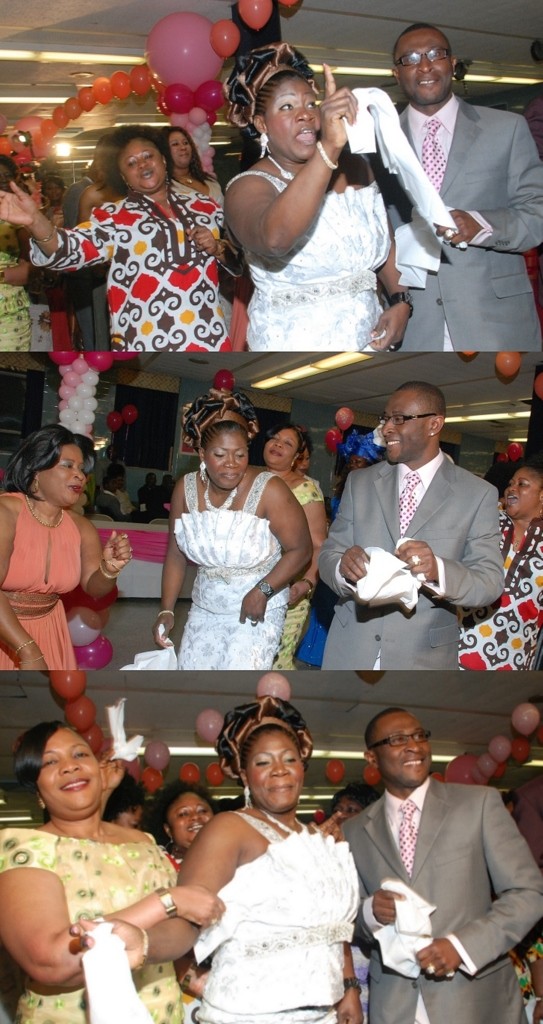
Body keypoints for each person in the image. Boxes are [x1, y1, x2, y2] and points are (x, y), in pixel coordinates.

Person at [82, 695, 363, 1024]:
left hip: (325, 1015)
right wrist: (144, 942)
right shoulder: (230, 828)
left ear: (303, 765)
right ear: (244, 774)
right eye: (262, 762)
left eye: (289, 759)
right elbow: (187, 919)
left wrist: (349, 987)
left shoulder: (317, 838)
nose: (279, 770)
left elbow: (334, 929)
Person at [0, 720, 224, 1024]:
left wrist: (143, 943)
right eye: (51, 761)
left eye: (80, 755)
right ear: (36, 788)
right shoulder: (23, 847)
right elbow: (51, 962)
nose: (69, 767)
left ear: (98, 766)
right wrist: (166, 901)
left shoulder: (143, 842)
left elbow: (183, 930)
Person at [343, 706, 543, 1024]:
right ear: (371, 758)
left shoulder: (479, 804)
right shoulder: (353, 830)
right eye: (397, 739)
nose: (414, 746)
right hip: (396, 1006)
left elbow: (529, 892)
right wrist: (369, 912)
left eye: (419, 736)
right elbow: (345, 918)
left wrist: (462, 946)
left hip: (476, 1000)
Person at [223, 42, 412, 352]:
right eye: (287, 107)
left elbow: (382, 240)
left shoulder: (356, 167)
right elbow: (276, 238)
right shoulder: (247, 187)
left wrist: (401, 301)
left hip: (369, 336)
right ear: (261, 124)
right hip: (294, 345)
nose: (305, 115)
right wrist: (329, 150)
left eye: (311, 104)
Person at [0, 125, 241, 351]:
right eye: (131, 163)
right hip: (142, 337)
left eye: (148, 156)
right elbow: (67, 250)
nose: (142, 165)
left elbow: (239, 262)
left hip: (209, 332)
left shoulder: (204, 206)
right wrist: (35, 221)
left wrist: (217, 247)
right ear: (124, 177)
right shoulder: (113, 217)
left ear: (163, 160)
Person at [381, 21, 543, 351]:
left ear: (452, 64)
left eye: (435, 54)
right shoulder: (378, 142)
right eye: (410, 58)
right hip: (413, 323)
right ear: (397, 74)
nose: (424, 65)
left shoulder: (507, 129)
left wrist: (480, 225)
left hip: (496, 320)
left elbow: (537, 213)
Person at [319, 381, 504, 669]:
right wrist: (342, 566)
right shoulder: (361, 482)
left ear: (434, 424)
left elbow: (490, 582)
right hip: (350, 647)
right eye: (385, 418)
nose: (386, 428)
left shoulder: (478, 494)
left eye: (399, 419)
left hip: (423, 658)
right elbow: (328, 554)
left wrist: (437, 569)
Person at [153, 388, 312, 669]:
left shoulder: (270, 489)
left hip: (258, 607)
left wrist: (263, 590)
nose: (231, 465)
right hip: (205, 608)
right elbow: (176, 554)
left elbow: (301, 549)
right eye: (220, 454)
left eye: (240, 455)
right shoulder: (185, 488)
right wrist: (167, 609)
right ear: (202, 452)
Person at [0, 424, 132, 670]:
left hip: (51, 630)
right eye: (68, 465)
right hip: (6, 631)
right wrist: (27, 650)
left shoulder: (81, 527)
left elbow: (94, 587)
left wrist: (109, 570)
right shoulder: (6, 512)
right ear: (36, 470)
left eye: (82, 469)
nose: (80, 475)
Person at [459, 455, 543, 669]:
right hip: (459, 648)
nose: (511, 489)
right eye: (510, 484)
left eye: (522, 484)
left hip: (515, 658)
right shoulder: (487, 522)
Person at [262, 422, 327, 669]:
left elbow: (319, 544)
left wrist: (306, 583)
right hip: (245, 586)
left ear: (297, 456)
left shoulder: (306, 490)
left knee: (275, 662)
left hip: (289, 592)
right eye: (274, 438)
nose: (277, 444)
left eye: (287, 443)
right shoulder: (250, 478)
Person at [146, 780, 215, 872]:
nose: (195, 816)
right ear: (168, 830)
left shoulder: (234, 855)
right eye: (183, 814)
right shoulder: (159, 867)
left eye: (202, 811)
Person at [0, 155, 31, 350]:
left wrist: (4, 275)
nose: (2, 178)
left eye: (6, 174)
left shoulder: (21, 214)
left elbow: (32, 265)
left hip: (10, 310)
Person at [164, 126, 224, 203]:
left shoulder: (210, 181)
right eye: (175, 144)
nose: (183, 147)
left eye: (185, 143)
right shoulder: (164, 187)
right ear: (164, 150)